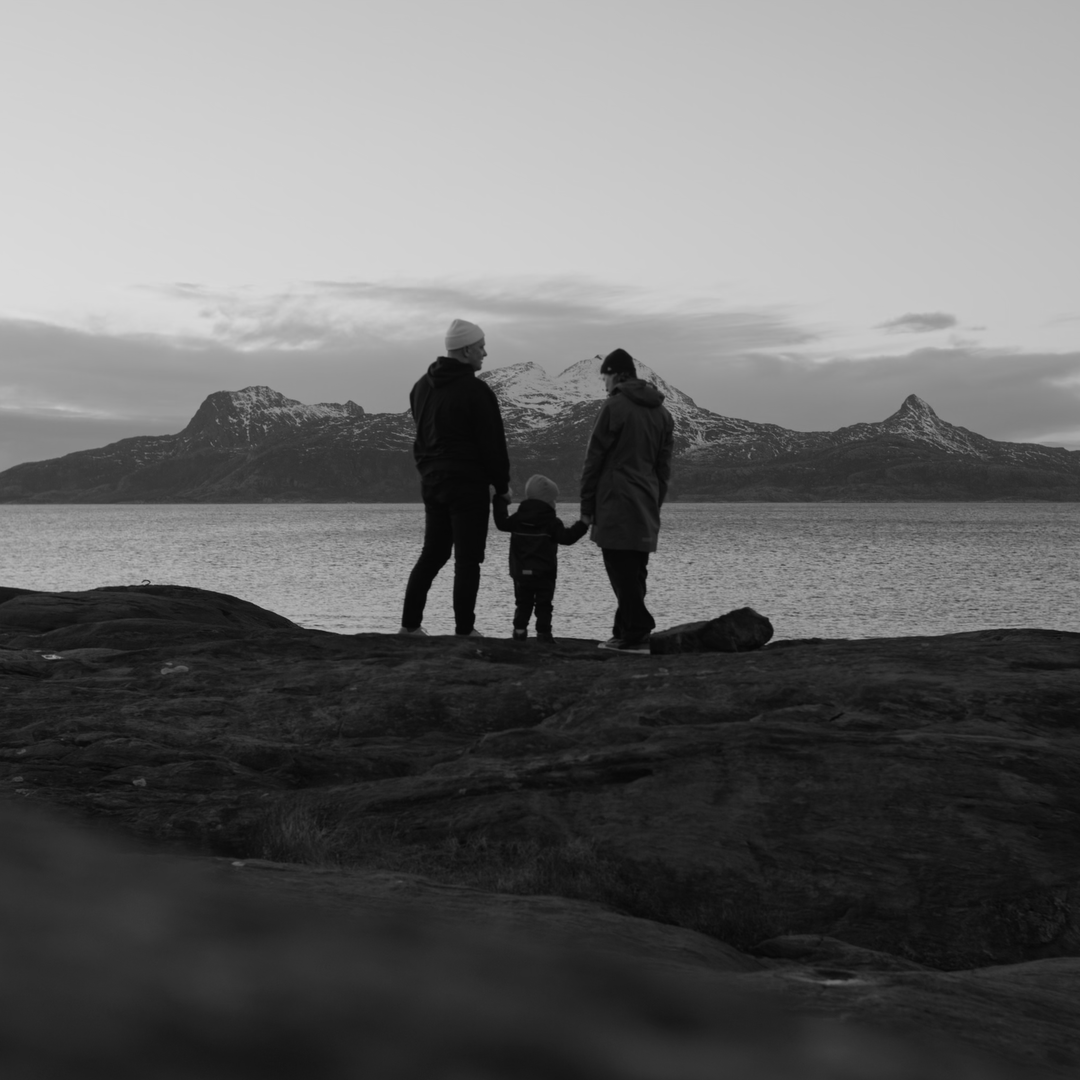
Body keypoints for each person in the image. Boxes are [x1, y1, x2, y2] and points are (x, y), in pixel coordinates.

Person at [399, 319, 511, 637]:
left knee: (433, 554)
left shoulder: (421, 387)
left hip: (433, 483)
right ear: (465, 350)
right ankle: (464, 632)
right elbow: (492, 444)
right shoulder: (476, 391)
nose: (485, 353)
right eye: (481, 346)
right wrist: (501, 487)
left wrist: (427, 469)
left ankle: (409, 627)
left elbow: (421, 435)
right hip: (467, 484)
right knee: (467, 558)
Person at [579, 348, 675, 653]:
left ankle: (636, 631)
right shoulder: (663, 413)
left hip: (615, 501)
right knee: (634, 572)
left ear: (618, 375)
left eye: (605, 376)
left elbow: (593, 460)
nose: (604, 382)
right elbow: (664, 468)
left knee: (620, 571)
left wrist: (587, 507)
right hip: (646, 501)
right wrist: (654, 502)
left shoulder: (615, 407)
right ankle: (624, 633)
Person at [492, 474, 588, 642]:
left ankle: (520, 631)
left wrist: (500, 500)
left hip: (521, 571)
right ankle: (544, 634)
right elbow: (567, 538)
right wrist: (583, 523)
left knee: (523, 602)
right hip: (545, 573)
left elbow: (501, 523)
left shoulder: (518, 518)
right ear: (549, 501)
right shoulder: (551, 522)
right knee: (544, 605)